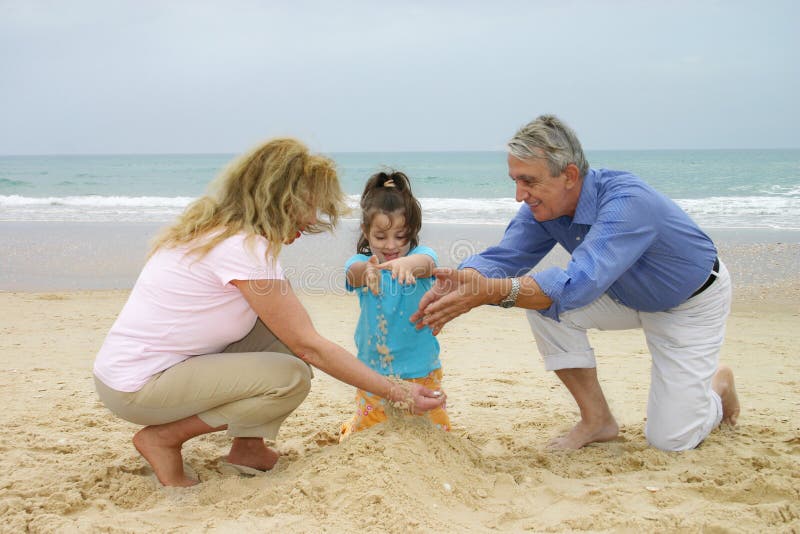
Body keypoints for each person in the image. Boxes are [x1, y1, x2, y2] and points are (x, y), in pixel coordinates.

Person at [93, 139, 445, 487]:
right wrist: (396, 391)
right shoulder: (243, 249)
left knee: (284, 340)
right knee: (290, 376)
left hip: (156, 367)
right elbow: (311, 347)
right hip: (139, 385)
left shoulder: (225, 231)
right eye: (309, 206)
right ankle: (165, 437)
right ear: (281, 198)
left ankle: (248, 448)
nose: (311, 220)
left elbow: (293, 330)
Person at [410, 115, 740, 452]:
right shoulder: (544, 205)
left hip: (688, 302)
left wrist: (492, 293)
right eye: (515, 181)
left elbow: (576, 285)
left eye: (528, 181)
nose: (519, 195)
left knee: (671, 441)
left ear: (568, 175)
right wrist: (465, 282)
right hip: (620, 293)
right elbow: (506, 256)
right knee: (542, 308)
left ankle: (718, 385)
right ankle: (597, 420)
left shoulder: (627, 202)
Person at [340, 171, 450, 438]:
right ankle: (351, 428)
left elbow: (427, 264)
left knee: (435, 432)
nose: (391, 245)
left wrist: (406, 264)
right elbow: (352, 273)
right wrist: (367, 272)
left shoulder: (421, 257)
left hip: (422, 369)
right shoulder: (363, 264)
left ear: (413, 231)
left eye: (401, 236)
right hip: (374, 374)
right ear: (366, 233)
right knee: (370, 432)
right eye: (380, 237)